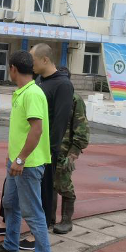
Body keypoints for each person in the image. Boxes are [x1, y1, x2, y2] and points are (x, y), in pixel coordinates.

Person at [0, 50, 53, 252]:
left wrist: (21, 158)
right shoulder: (22, 92)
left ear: (13, 69)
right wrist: (12, 155)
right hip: (17, 162)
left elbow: (36, 130)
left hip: (28, 164)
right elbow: (21, 130)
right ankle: (11, 245)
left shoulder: (32, 94)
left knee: (32, 212)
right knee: (10, 203)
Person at [31, 43, 74, 228]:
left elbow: (60, 121)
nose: (31, 64)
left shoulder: (63, 85)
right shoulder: (39, 81)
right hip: (34, 145)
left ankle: (44, 228)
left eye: (33, 60)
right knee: (34, 190)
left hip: (47, 150)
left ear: (45, 60)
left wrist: (51, 150)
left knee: (47, 190)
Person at [53, 67, 90, 234]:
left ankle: (66, 220)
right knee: (49, 185)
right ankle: (49, 218)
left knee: (64, 185)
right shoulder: (51, 95)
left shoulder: (75, 99)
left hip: (65, 151)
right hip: (49, 149)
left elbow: (82, 129)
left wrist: (73, 154)